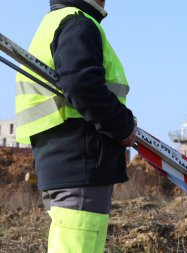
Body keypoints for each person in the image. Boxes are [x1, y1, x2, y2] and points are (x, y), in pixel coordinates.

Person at [15, 0, 136, 252]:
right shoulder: (77, 22)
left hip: (65, 164)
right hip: (82, 164)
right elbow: (81, 84)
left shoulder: (56, 22)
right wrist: (122, 126)